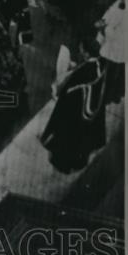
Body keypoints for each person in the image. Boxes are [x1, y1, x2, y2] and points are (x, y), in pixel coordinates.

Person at [41, 37, 107, 172]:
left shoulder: (79, 76)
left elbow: (63, 96)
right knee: (81, 139)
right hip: (88, 109)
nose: (80, 51)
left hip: (73, 112)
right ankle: (79, 160)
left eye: (82, 49)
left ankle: (63, 163)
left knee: (68, 139)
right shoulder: (100, 64)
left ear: (87, 53)